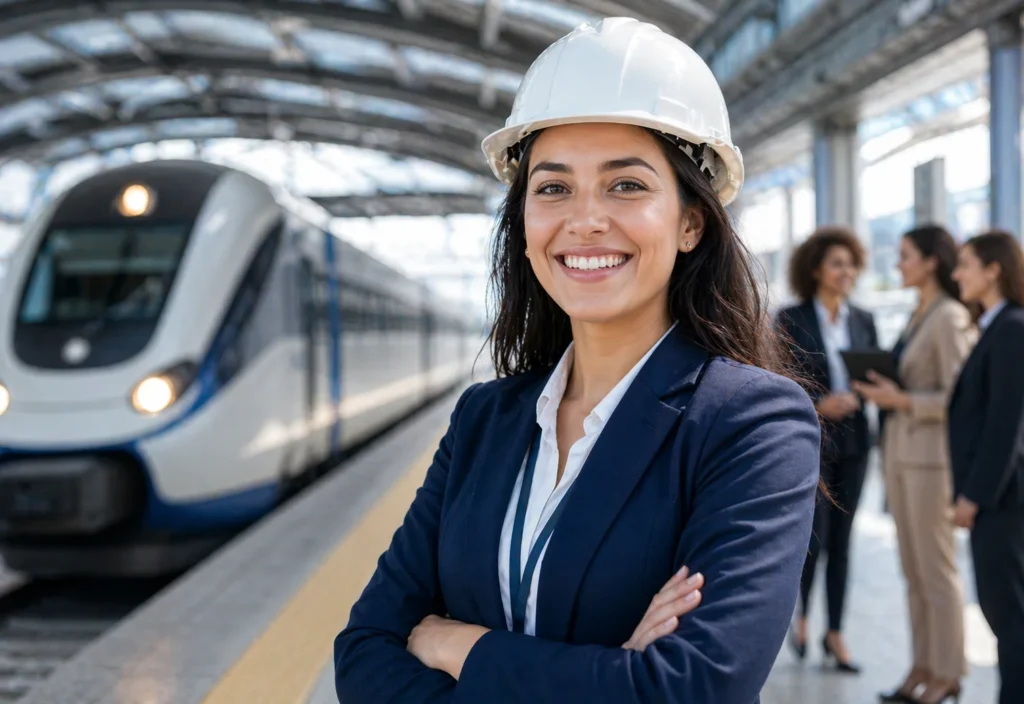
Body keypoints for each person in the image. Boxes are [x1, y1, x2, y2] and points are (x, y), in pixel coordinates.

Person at [333, 17, 820, 704]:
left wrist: (457, 645)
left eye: (626, 186)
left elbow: (691, 688)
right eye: (553, 188)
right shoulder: (484, 419)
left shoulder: (750, 424)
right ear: (524, 226)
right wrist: (609, 673)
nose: (585, 220)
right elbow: (362, 655)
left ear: (691, 222)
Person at [852, 225, 975, 704]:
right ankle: (922, 666)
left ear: (929, 261)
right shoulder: (918, 314)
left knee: (937, 571)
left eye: (905, 256)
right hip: (903, 459)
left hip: (931, 463)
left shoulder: (948, 317)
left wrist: (901, 399)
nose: (897, 264)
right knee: (914, 571)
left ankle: (948, 674)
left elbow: (963, 398)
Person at [776, 226, 878, 674]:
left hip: (855, 442)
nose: (847, 272)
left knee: (844, 542)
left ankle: (835, 632)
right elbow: (778, 381)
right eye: (837, 263)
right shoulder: (790, 318)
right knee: (812, 539)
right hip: (811, 439)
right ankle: (801, 618)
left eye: (851, 264)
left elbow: (874, 374)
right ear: (816, 269)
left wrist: (866, 392)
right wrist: (820, 404)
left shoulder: (862, 319)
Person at [947, 230, 1024, 704]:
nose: (957, 274)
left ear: (993, 269)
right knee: (1005, 617)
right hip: (999, 499)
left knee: (1010, 617)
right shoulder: (996, 325)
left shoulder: (1012, 327)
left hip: (1003, 502)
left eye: (966, 264)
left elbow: (1005, 425)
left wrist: (975, 495)